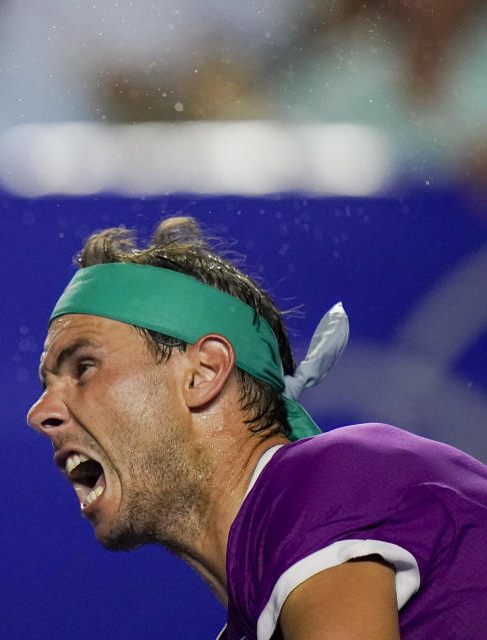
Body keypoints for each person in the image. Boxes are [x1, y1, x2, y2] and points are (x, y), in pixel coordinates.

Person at [26, 216, 487, 639]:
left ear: (203, 372)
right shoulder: (285, 564)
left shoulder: (321, 481)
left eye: (84, 367)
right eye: (48, 383)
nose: (40, 412)